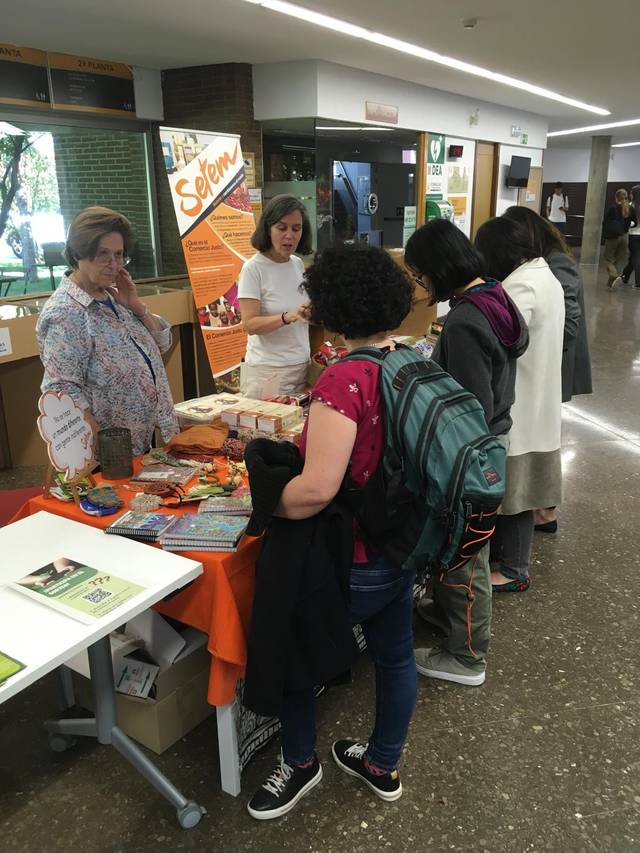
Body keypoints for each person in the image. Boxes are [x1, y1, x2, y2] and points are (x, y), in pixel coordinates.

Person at [246, 245, 417, 820]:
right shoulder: (409, 361)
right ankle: (381, 761)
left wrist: (263, 502)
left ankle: (300, 765)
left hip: (355, 553)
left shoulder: (343, 382)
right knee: (396, 657)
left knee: (294, 650)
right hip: (403, 541)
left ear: (332, 304)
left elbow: (317, 490)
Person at [404, 220, 528, 685]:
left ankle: (468, 656)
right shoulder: (494, 295)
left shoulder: (464, 320)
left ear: (438, 269)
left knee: (465, 550)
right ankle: (446, 615)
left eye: (419, 274)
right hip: (495, 439)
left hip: (472, 451)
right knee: (464, 546)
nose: (418, 284)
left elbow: (470, 405)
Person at [36, 206, 178, 457]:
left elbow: (162, 343)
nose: (114, 265)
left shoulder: (112, 296)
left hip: (141, 443)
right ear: (80, 253)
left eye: (119, 255)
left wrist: (136, 307)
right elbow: (61, 388)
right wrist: (97, 445)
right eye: (104, 255)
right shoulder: (66, 312)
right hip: (110, 455)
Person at [474, 217, 564, 592]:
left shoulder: (522, 285)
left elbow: (503, 336)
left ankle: (513, 570)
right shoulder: (543, 274)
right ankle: (510, 561)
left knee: (513, 492)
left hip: (521, 402)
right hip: (536, 396)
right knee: (519, 491)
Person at [504, 205, 593, 533]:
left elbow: (569, 325)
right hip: (544, 363)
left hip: (553, 363)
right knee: (539, 429)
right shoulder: (539, 262)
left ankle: (545, 512)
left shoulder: (557, 263)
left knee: (542, 431)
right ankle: (540, 508)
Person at [238, 195, 312, 399]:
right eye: (282, 228)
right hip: (267, 372)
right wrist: (285, 317)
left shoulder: (297, 264)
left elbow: (300, 312)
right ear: (268, 229)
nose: (289, 235)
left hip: (300, 367)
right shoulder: (253, 269)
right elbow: (250, 324)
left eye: (296, 229)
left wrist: (308, 313)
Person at [603, 189, 634, 289]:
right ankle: (611, 282)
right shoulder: (630, 208)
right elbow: (635, 223)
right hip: (625, 237)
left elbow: (605, 221)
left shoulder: (612, 208)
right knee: (620, 259)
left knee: (608, 258)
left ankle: (614, 274)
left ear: (616, 198)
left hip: (613, 237)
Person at [621, 185, 640, 287]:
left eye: (631, 193)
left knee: (636, 258)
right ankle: (625, 276)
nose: (630, 195)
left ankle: (638, 282)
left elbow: (626, 222)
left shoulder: (630, 206)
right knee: (633, 258)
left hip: (634, 235)